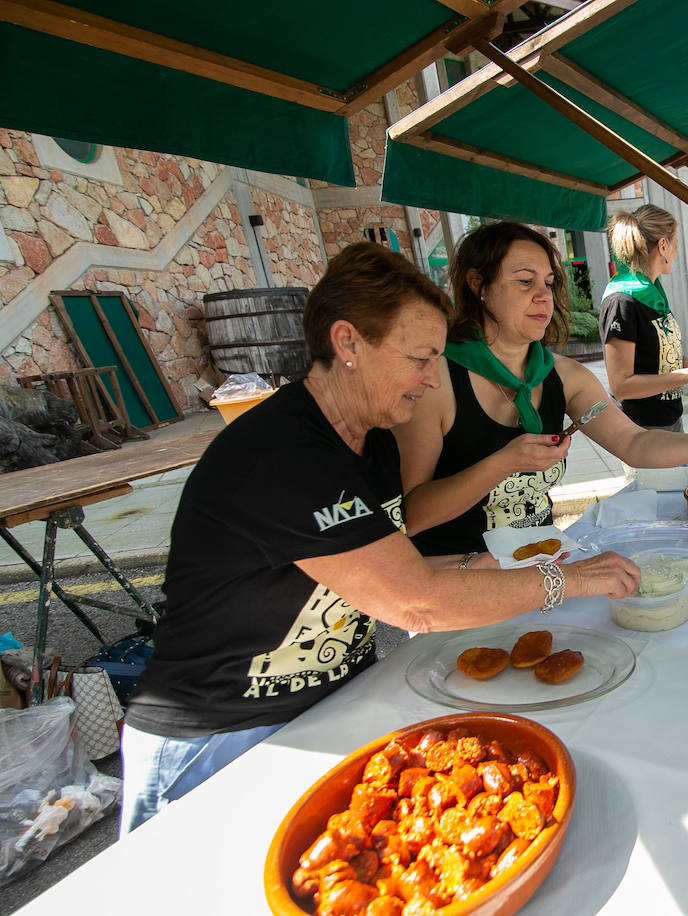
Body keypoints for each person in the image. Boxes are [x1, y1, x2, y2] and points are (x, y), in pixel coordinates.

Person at [119, 243, 641, 835]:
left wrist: (489, 564)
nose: (431, 379)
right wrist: (566, 580)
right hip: (220, 737)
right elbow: (413, 598)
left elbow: (384, 562)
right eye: (420, 358)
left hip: (331, 705)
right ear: (347, 344)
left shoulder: (373, 438)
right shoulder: (284, 454)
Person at [396, 222, 688, 557]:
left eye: (548, 282)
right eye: (525, 282)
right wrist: (503, 463)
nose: (544, 296)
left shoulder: (560, 373)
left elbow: (634, 442)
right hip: (454, 577)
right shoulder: (434, 380)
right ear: (477, 285)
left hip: (538, 561)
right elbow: (411, 516)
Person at [599, 205, 688, 430]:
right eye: (675, 243)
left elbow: (658, 359)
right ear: (663, 245)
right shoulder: (621, 300)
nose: (676, 250)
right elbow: (621, 386)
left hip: (670, 419)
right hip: (640, 428)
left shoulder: (653, 293)